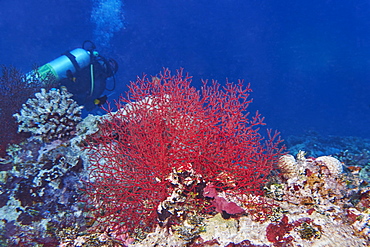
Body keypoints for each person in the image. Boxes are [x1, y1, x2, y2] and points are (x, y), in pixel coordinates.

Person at [60, 40, 118, 111]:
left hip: (61, 83)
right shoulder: (100, 79)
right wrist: (97, 102)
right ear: (110, 73)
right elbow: (89, 106)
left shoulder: (90, 63)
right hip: (67, 99)